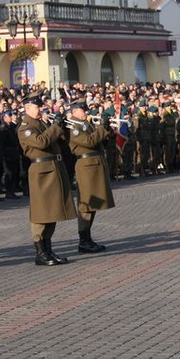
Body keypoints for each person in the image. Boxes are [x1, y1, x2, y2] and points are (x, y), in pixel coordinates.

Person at [17, 93, 76, 266]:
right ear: (27, 108)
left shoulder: (42, 123)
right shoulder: (25, 127)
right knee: (41, 212)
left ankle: (48, 249)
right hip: (41, 171)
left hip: (54, 168)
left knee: (53, 210)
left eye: (40, 106)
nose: (40, 109)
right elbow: (42, 142)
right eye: (36, 107)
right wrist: (55, 127)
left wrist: (62, 126)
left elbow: (60, 142)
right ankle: (40, 252)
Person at [66, 100, 114, 253]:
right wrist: (101, 128)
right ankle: (83, 240)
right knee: (86, 204)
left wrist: (105, 128)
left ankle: (87, 238)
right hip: (86, 166)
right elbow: (89, 141)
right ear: (74, 112)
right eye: (81, 110)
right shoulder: (73, 127)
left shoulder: (85, 124)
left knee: (93, 204)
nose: (85, 112)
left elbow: (100, 141)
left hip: (95, 163)